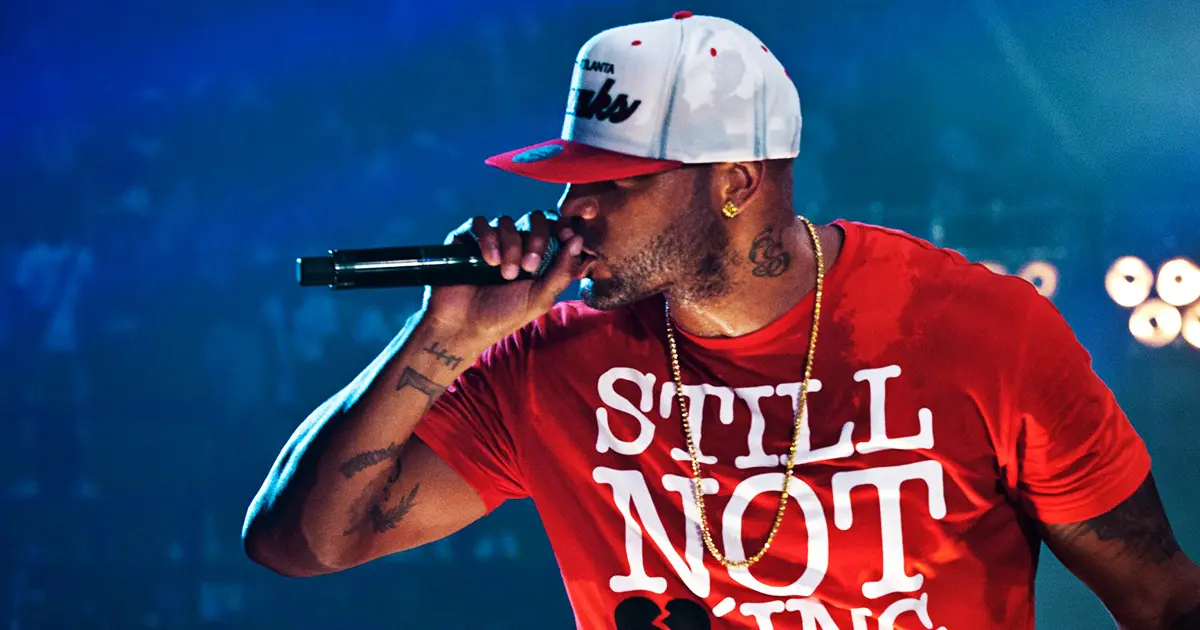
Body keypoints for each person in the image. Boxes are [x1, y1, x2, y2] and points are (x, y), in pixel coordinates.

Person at [242, 12, 1200, 629]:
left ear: (736, 182)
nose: (572, 210)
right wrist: (445, 340)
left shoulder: (979, 330)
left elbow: (1159, 598)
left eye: (613, 184)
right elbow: (301, 544)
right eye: (569, 181)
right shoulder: (546, 361)